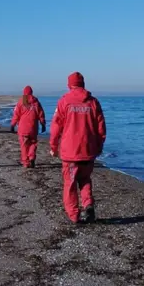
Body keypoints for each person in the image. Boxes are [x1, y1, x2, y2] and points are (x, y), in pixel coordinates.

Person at [49, 72, 106, 224]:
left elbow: (55, 127)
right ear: (83, 84)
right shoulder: (93, 102)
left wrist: (53, 146)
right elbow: (101, 128)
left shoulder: (64, 101)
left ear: (70, 84)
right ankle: (88, 204)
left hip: (70, 153)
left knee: (70, 183)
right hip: (87, 150)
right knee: (85, 179)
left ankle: (74, 215)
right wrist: (99, 146)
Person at [10, 86, 46, 168]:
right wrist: (43, 124)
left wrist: (13, 124)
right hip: (33, 128)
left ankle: (26, 163)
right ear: (31, 92)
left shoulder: (21, 101)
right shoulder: (36, 102)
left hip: (23, 128)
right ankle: (32, 157)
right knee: (33, 143)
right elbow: (41, 114)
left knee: (24, 146)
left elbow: (16, 114)